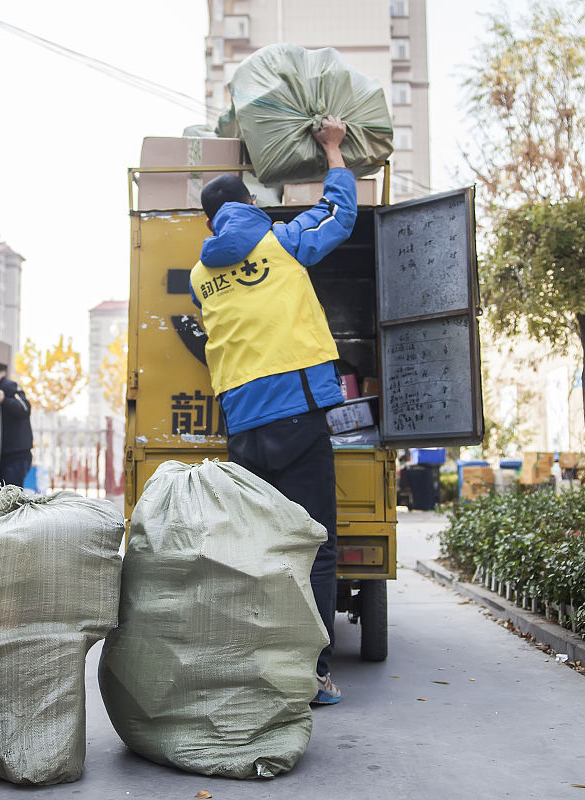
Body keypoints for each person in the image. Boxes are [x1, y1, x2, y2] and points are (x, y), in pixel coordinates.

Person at [189, 115, 355, 706]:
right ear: (252, 204)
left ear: (209, 223)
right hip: (298, 417)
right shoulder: (281, 242)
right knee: (315, 547)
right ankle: (312, 677)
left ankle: (260, 672)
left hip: (243, 430)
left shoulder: (199, 276)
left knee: (259, 551)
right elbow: (340, 216)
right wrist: (333, 150)